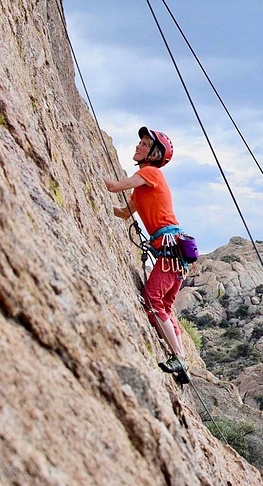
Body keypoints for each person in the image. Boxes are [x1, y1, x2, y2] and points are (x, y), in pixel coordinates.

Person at [105, 126, 189, 384]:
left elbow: (114, 186)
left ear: (153, 154)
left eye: (144, 144)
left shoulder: (150, 173)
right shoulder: (142, 187)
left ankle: (178, 357)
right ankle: (182, 358)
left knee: (153, 300)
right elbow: (124, 212)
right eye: (139, 142)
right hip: (175, 252)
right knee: (162, 306)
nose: (138, 146)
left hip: (170, 248)